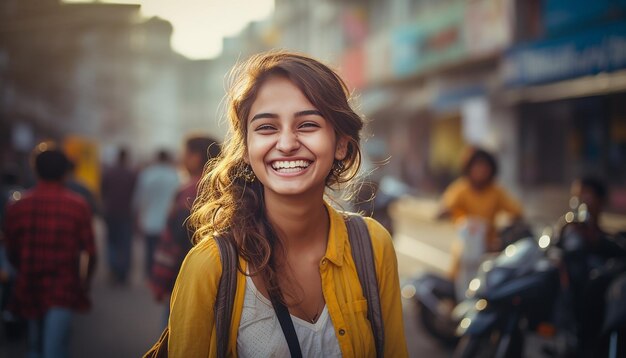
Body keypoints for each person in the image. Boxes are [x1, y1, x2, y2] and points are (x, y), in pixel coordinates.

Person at [166, 51, 408, 357]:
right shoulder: (210, 266)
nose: (287, 143)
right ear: (246, 148)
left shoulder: (373, 246)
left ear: (341, 144)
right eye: (267, 127)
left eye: (307, 125)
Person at [2, 146, 96, 358]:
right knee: (55, 348)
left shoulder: (17, 206)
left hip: (28, 286)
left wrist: (23, 268)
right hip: (62, 288)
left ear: (34, 170)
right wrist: (85, 282)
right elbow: (90, 251)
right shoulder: (77, 206)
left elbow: (10, 250)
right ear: (65, 172)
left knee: (34, 345)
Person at [150, 134, 220, 326]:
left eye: (185, 154)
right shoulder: (224, 187)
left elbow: (175, 241)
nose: (182, 159)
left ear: (196, 157)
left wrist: (161, 280)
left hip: (183, 276)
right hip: (214, 277)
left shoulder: (189, 191)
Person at [438, 147, 523, 298]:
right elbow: (444, 207)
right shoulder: (461, 189)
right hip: (466, 248)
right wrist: (450, 213)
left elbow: (517, 211)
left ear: (491, 170)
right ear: (469, 168)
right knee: (457, 284)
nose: (481, 171)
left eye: (485, 167)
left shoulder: (496, 192)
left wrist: (508, 228)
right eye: (477, 166)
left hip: (489, 248)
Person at [133, 149, 180, 279]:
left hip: (149, 219)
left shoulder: (147, 174)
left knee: (149, 250)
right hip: (167, 221)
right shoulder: (174, 175)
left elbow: (139, 198)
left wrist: (138, 215)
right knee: (163, 251)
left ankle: (149, 274)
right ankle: (159, 275)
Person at [101, 147, 136, 285]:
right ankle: (123, 273)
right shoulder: (131, 174)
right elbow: (135, 194)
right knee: (125, 244)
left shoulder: (109, 172)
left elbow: (102, 191)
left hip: (110, 212)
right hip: (126, 213)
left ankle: (113, 269)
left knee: (111, 242)